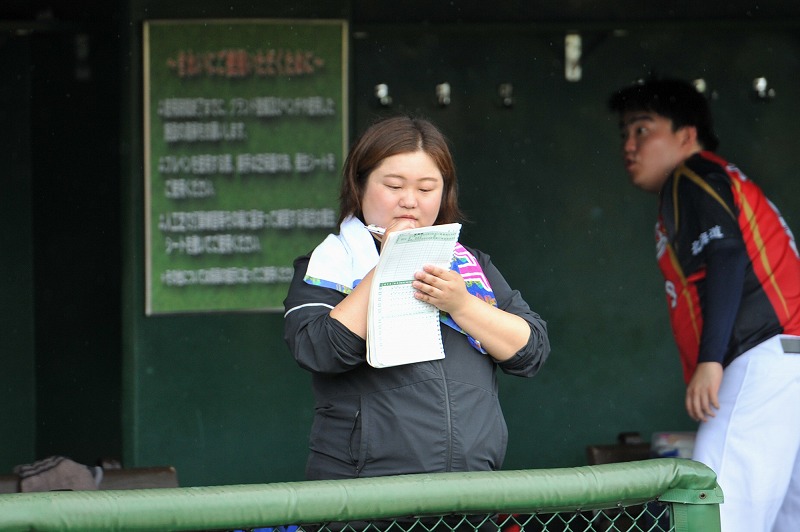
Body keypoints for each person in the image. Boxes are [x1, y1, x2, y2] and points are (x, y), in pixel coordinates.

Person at [283, 115, 550, 481]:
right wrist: (391, 263)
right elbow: (320, 350)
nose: (409, 201)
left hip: (472, 488)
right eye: (393, 185)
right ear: (359, 185)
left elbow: (530, 351)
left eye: (426, 189)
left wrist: (462, 304)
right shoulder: (331, 263)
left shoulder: (469, 264)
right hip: (366, 494)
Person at [608, 78, 800, 531]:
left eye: (642, 130)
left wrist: (710, 360)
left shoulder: (692, 175)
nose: (629, 145)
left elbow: (725, 255)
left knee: (714, 512)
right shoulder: (716, 177)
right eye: (625, 134)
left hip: (762, 359)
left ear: (686, 135)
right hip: (787, 361)